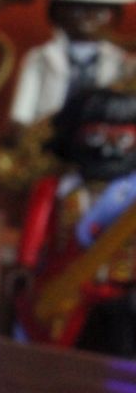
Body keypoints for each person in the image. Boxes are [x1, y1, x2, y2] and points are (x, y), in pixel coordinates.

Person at [16, 87, 136, 358]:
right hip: (62, 286)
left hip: (118, 294)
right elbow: (34, 234)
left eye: (123, 138)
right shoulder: (57, 188)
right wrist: (25, 265)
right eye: (96, 135)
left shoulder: (130, 194)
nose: (108, 146)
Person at [8, 0, 136, 134]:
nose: (88, 18)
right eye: (76, 9)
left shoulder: (122, 61)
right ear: (56, 11)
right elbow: (21, 111)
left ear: (115, 15)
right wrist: (19, 127)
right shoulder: (40, 57)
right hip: (47, 139)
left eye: (100, 11)